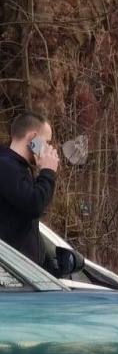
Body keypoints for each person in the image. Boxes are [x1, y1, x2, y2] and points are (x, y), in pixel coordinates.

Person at [0, 110, 60, 270]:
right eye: (47, 142)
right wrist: (47, 172)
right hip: (12, 274)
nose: (49, 148)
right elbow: (34, 204)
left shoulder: (17, 167)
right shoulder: (6, 166)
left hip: (22, 271)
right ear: (33, 138)